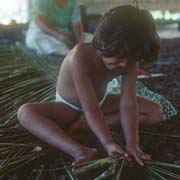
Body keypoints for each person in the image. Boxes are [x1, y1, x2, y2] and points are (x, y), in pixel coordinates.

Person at [18, 5, 163, 172]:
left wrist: (132, 143)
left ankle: (86, 125)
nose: (124, 64)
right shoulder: (80, 56)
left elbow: (128, 104)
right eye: (121, 58)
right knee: (25, 112)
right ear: (102, 42)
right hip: (70, 107)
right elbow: (91, 109)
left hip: (100, 103)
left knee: (155, 112)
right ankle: (79, 150)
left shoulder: (129, 59)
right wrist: (108, 144)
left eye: (131, 59)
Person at [25, 0, 92, 56]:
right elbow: (39, 19)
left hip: (63, 31)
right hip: (41, 30)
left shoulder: (73, 2)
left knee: (91, 39)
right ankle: (67, 53)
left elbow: (76, 23)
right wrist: (58, 34)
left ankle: (71, 50)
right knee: (34, 39)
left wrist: (80, 42)